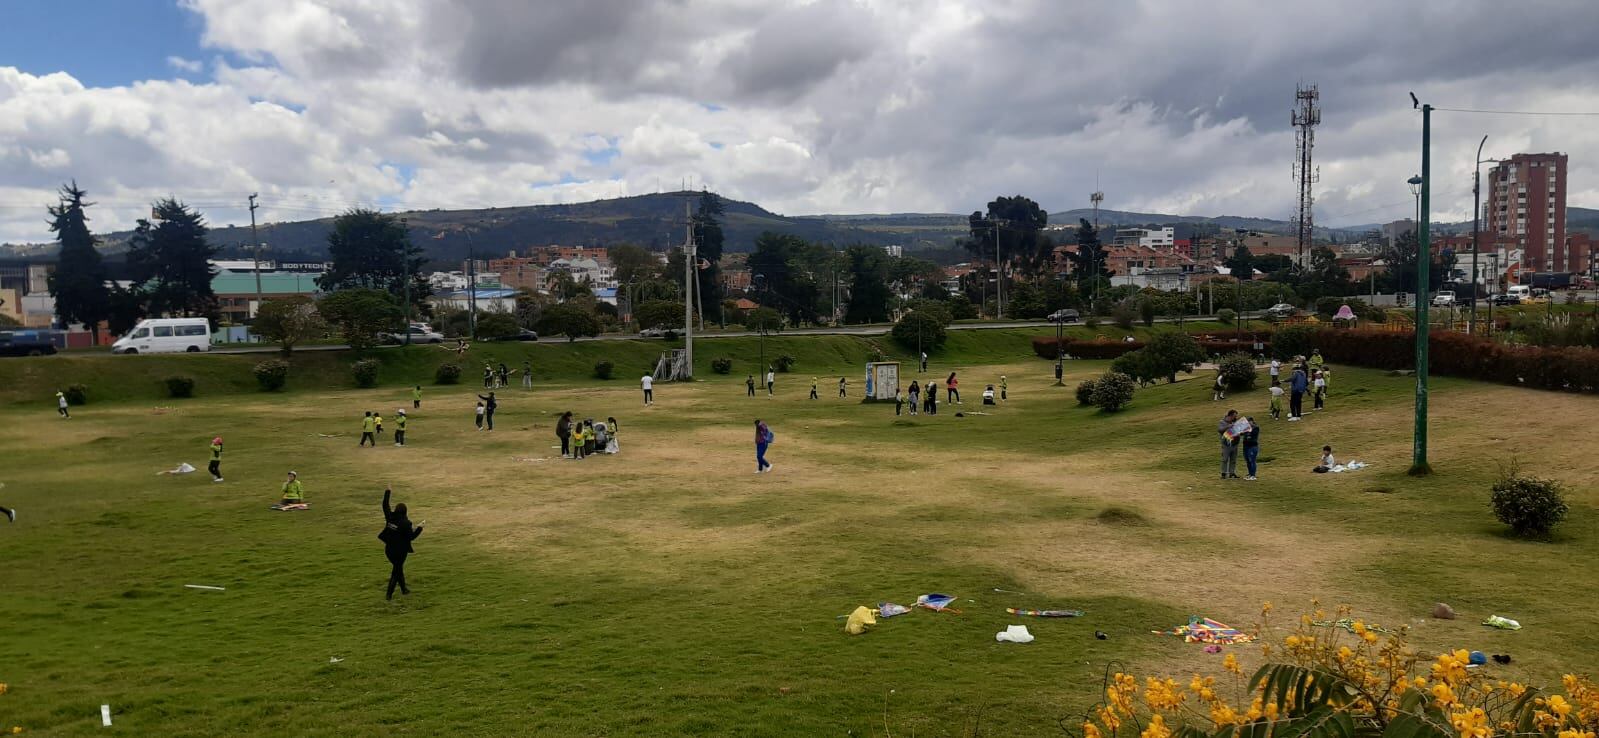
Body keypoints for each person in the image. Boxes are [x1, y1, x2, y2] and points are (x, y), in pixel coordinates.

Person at [379, 486, 423, 600]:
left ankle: (404, 590)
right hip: (400, 553)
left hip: (389, 550)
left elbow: (385, 505)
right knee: (396, 571)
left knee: (398, 569)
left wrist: (387, 491)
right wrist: (419, 528)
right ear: (405, 512)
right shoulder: (406, 523)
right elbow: (411, 537)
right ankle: (389, 595)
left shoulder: (390, 517)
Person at [1217, 410, 1240, 480]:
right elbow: (1220, 430)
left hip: (1235, 443)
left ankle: (1232, 473)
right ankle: (1223, 473)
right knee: (1225, 459)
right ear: (1230, 415)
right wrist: (1228, 426)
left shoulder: (1235, 422)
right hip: (1226, 444)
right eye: (1234, 416)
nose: (1235, 417)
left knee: (1233, 459)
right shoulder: (1222, 422)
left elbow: (1239, 430)